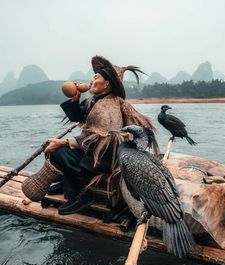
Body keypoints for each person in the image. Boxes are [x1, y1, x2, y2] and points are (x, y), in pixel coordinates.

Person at [22, 55, 159, 215]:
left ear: (106, 83)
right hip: (93, 150)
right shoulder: (97, 100)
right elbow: (79, 117)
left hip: (102, 157)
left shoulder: (109, 106)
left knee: (60, 151)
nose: (91, 81)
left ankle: (85, 193)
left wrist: (65, 142)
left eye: (96, 77)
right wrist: (75, 101)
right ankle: (68, 182)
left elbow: (100, 138)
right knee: (58, 149)